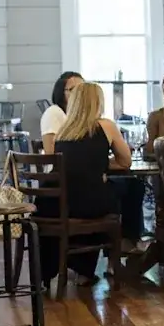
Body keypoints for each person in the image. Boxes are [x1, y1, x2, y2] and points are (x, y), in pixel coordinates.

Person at [35, 83, 133, 285]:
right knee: (113, 195)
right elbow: (126, 161)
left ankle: (77, 270)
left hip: (52, 203)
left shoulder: (63, 130)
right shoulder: (106, 126)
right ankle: (114, 258)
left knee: (91, 191)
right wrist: (101, 166)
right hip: (85, 203)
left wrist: (95, 165)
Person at [40, 71, 83, 155]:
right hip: (60, 166)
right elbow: (50, 153)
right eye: (73, 89)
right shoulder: (53, 113)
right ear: (61, 92)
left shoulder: (79, 114)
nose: (79, 94)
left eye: (82, 90)